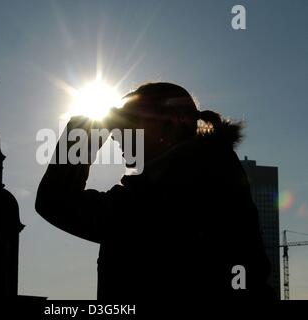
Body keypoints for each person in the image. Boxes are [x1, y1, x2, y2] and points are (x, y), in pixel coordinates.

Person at [35, 82, 275, 300]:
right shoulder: (205, 172)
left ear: (168, 122)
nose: (116, 133)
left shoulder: (176, 186)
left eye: (129, 121)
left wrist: (81, 134)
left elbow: (56, 201)